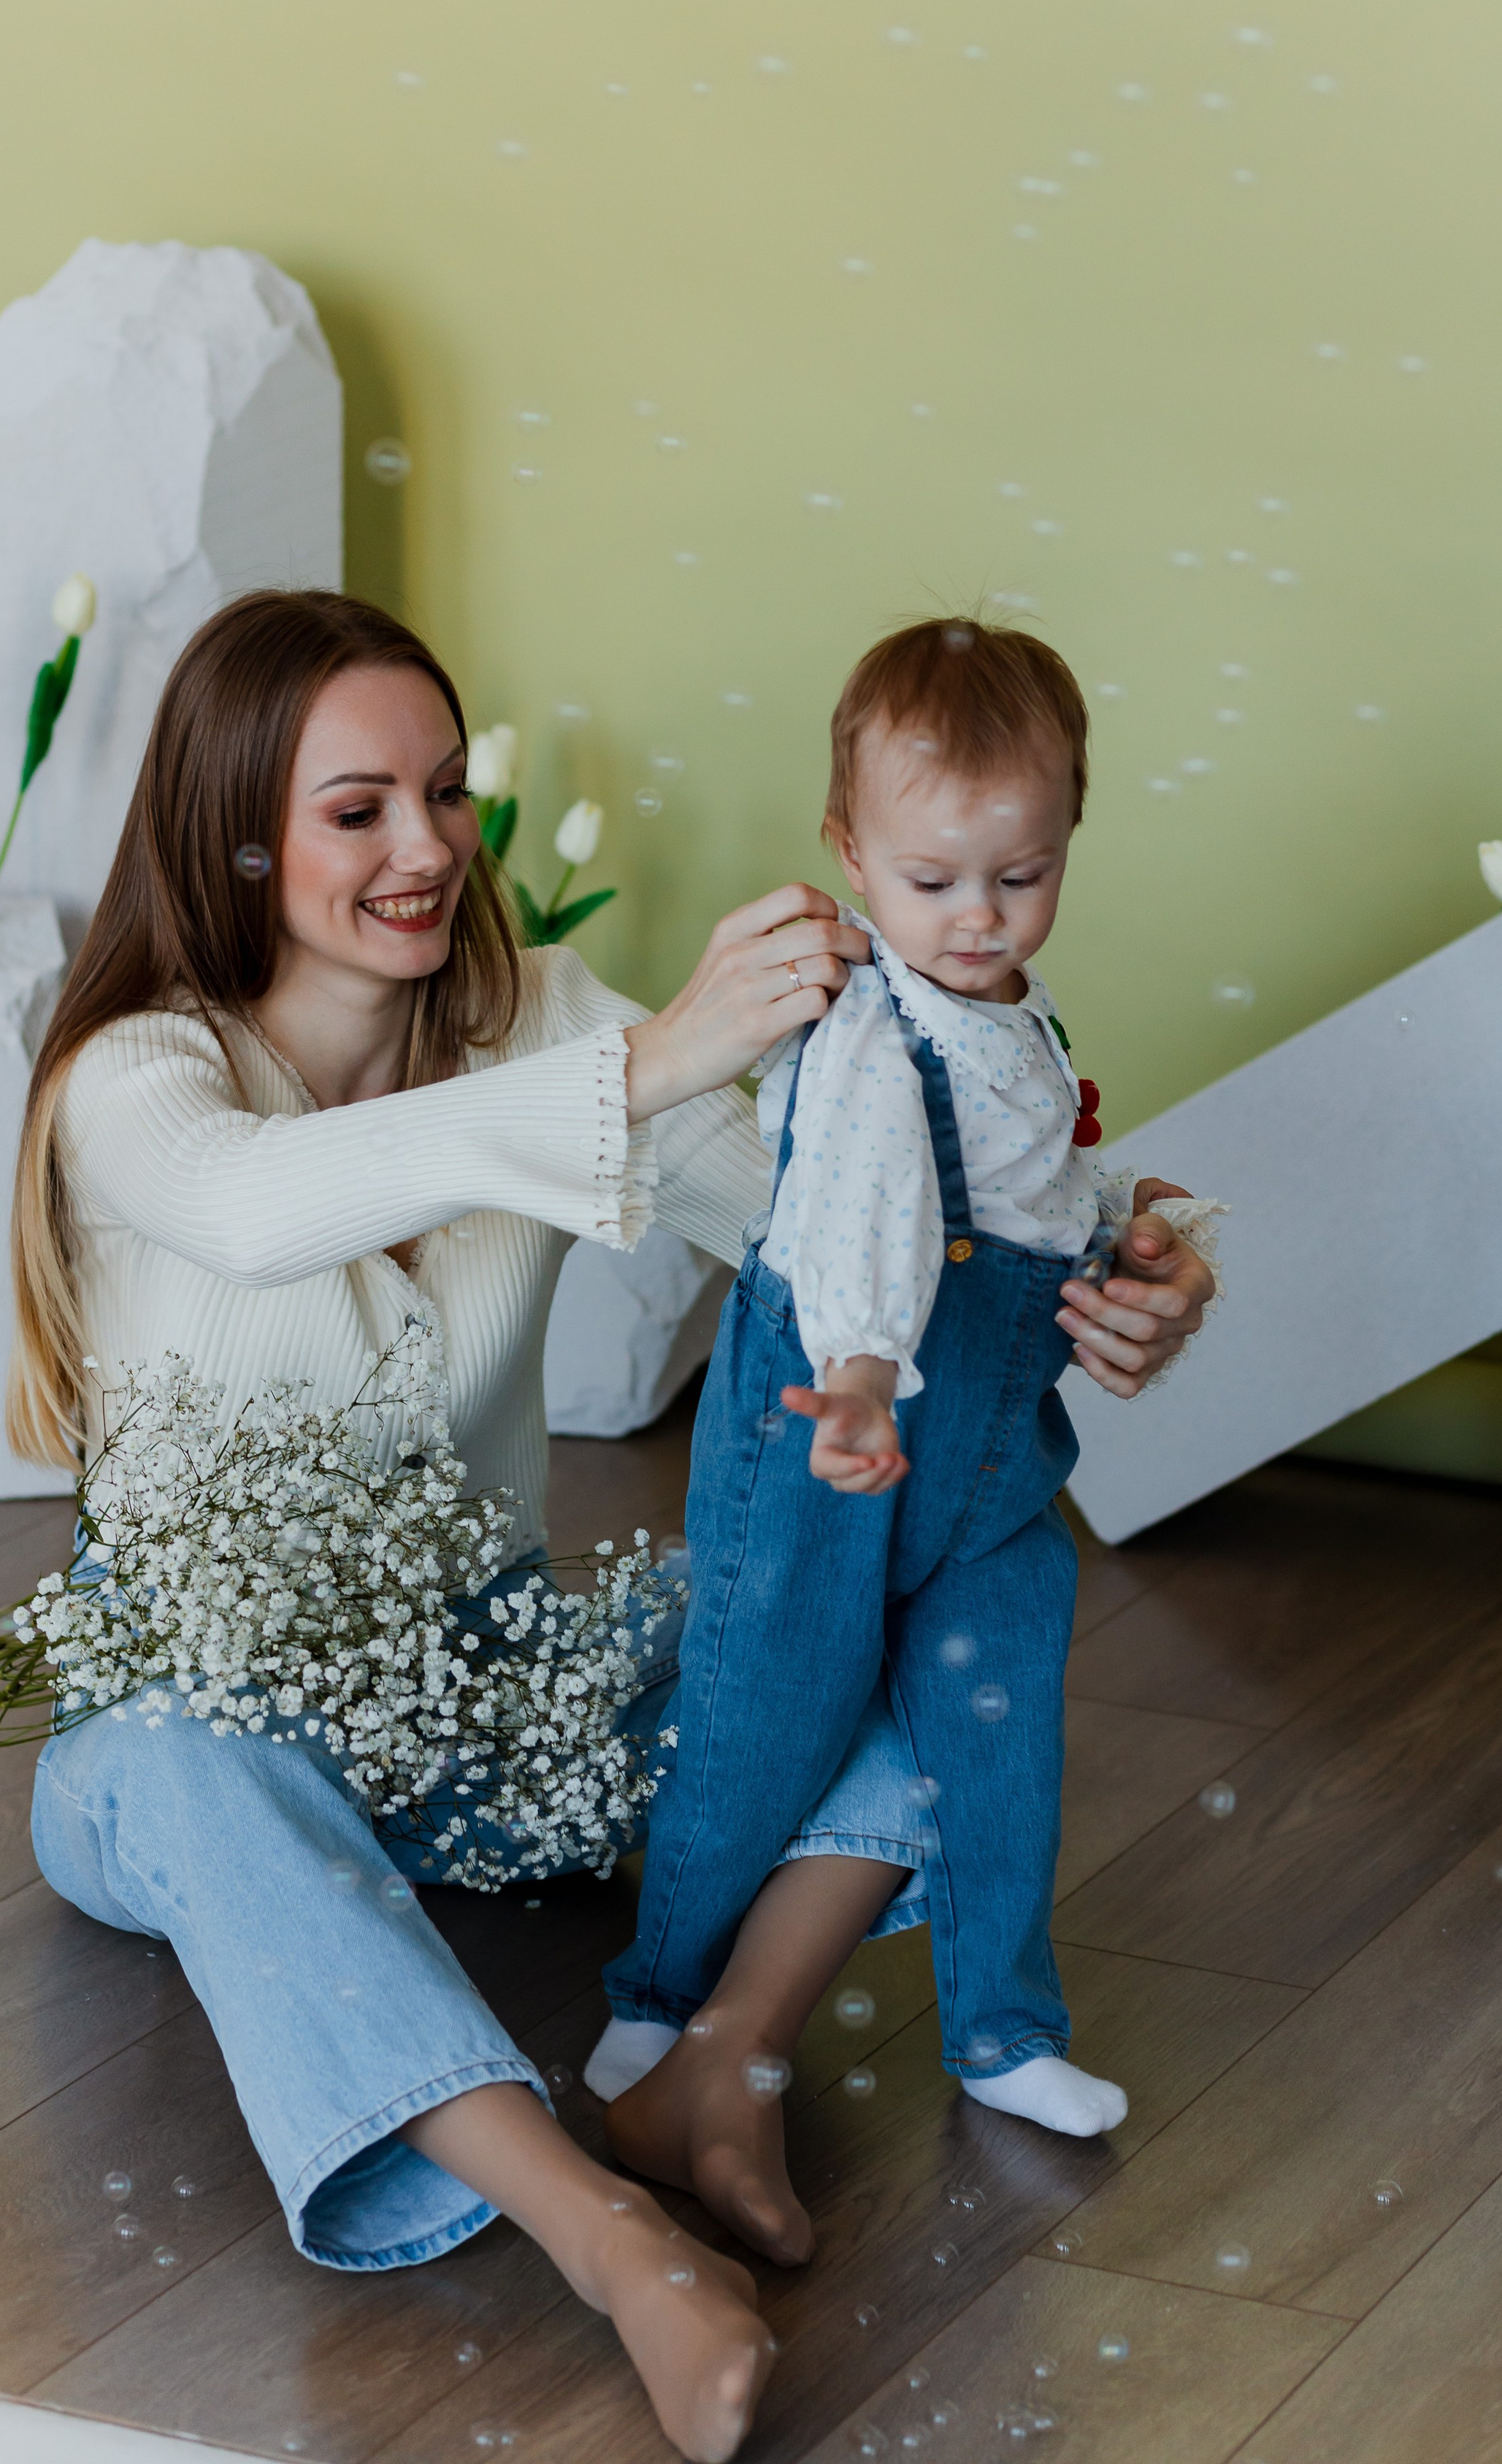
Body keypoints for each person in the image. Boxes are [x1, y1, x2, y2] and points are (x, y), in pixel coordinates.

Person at [8, 591, 1214, 2461]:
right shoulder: (135, 1081)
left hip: (494, 1695)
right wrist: (652, 1062)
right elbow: (256, 1209)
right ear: (236, 828)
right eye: (357, 811)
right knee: (176, 1764)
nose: (427, 848)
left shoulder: (540, 1015)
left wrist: (1108, 1271)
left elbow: (823, 1231)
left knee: (884, 1636)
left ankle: (723, 2056)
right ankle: (607, 2239)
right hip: (180, 1709)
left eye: (445, 791)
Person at [599, 617, 1222, 2218]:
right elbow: (867, 1208)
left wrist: (1117, 1224)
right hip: (833, 1415)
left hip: (996, 1455)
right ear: (848, 852)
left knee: (996, 1726)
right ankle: (659, 2003)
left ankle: (1003, 2024)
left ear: (1065, 835)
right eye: (931, 880)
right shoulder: (871, 1028)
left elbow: (1019, 1184)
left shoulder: (1011, 1015)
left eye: (1018, 876)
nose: (973, 917)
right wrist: (864, 1373)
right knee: (767, 1704)